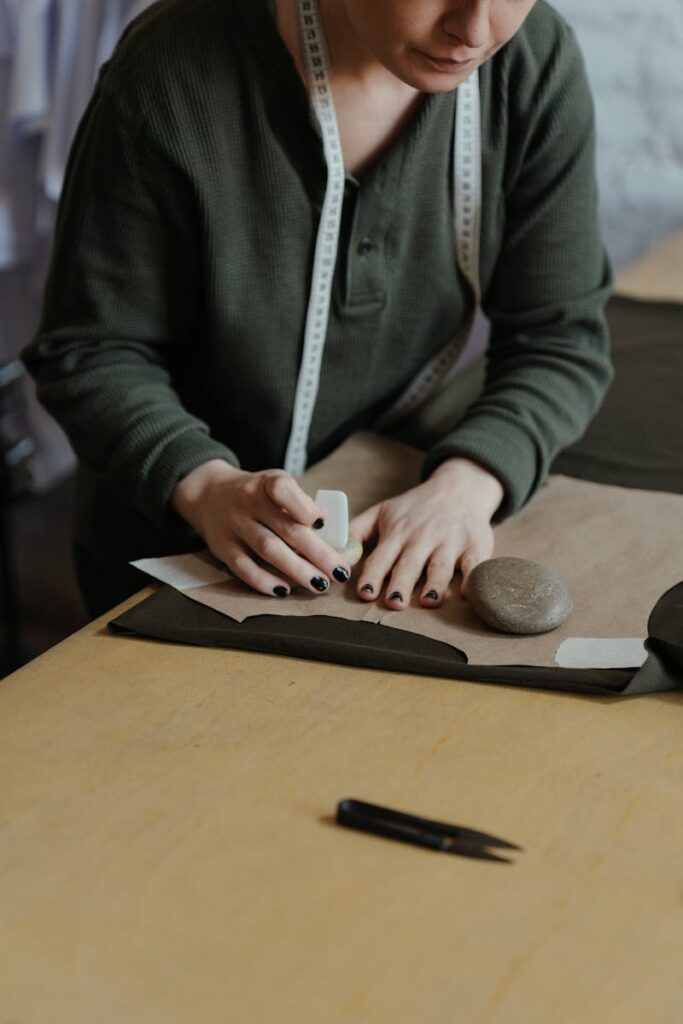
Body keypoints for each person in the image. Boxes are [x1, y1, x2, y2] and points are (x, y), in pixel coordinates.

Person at [23, 0, 613, 618]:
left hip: (392, 507)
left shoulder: (530, 62)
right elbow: (89, 350)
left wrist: (467, 485)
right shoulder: (170, 71)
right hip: (178, 550)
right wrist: (205, 486)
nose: (473, 30)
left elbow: (561, 337)